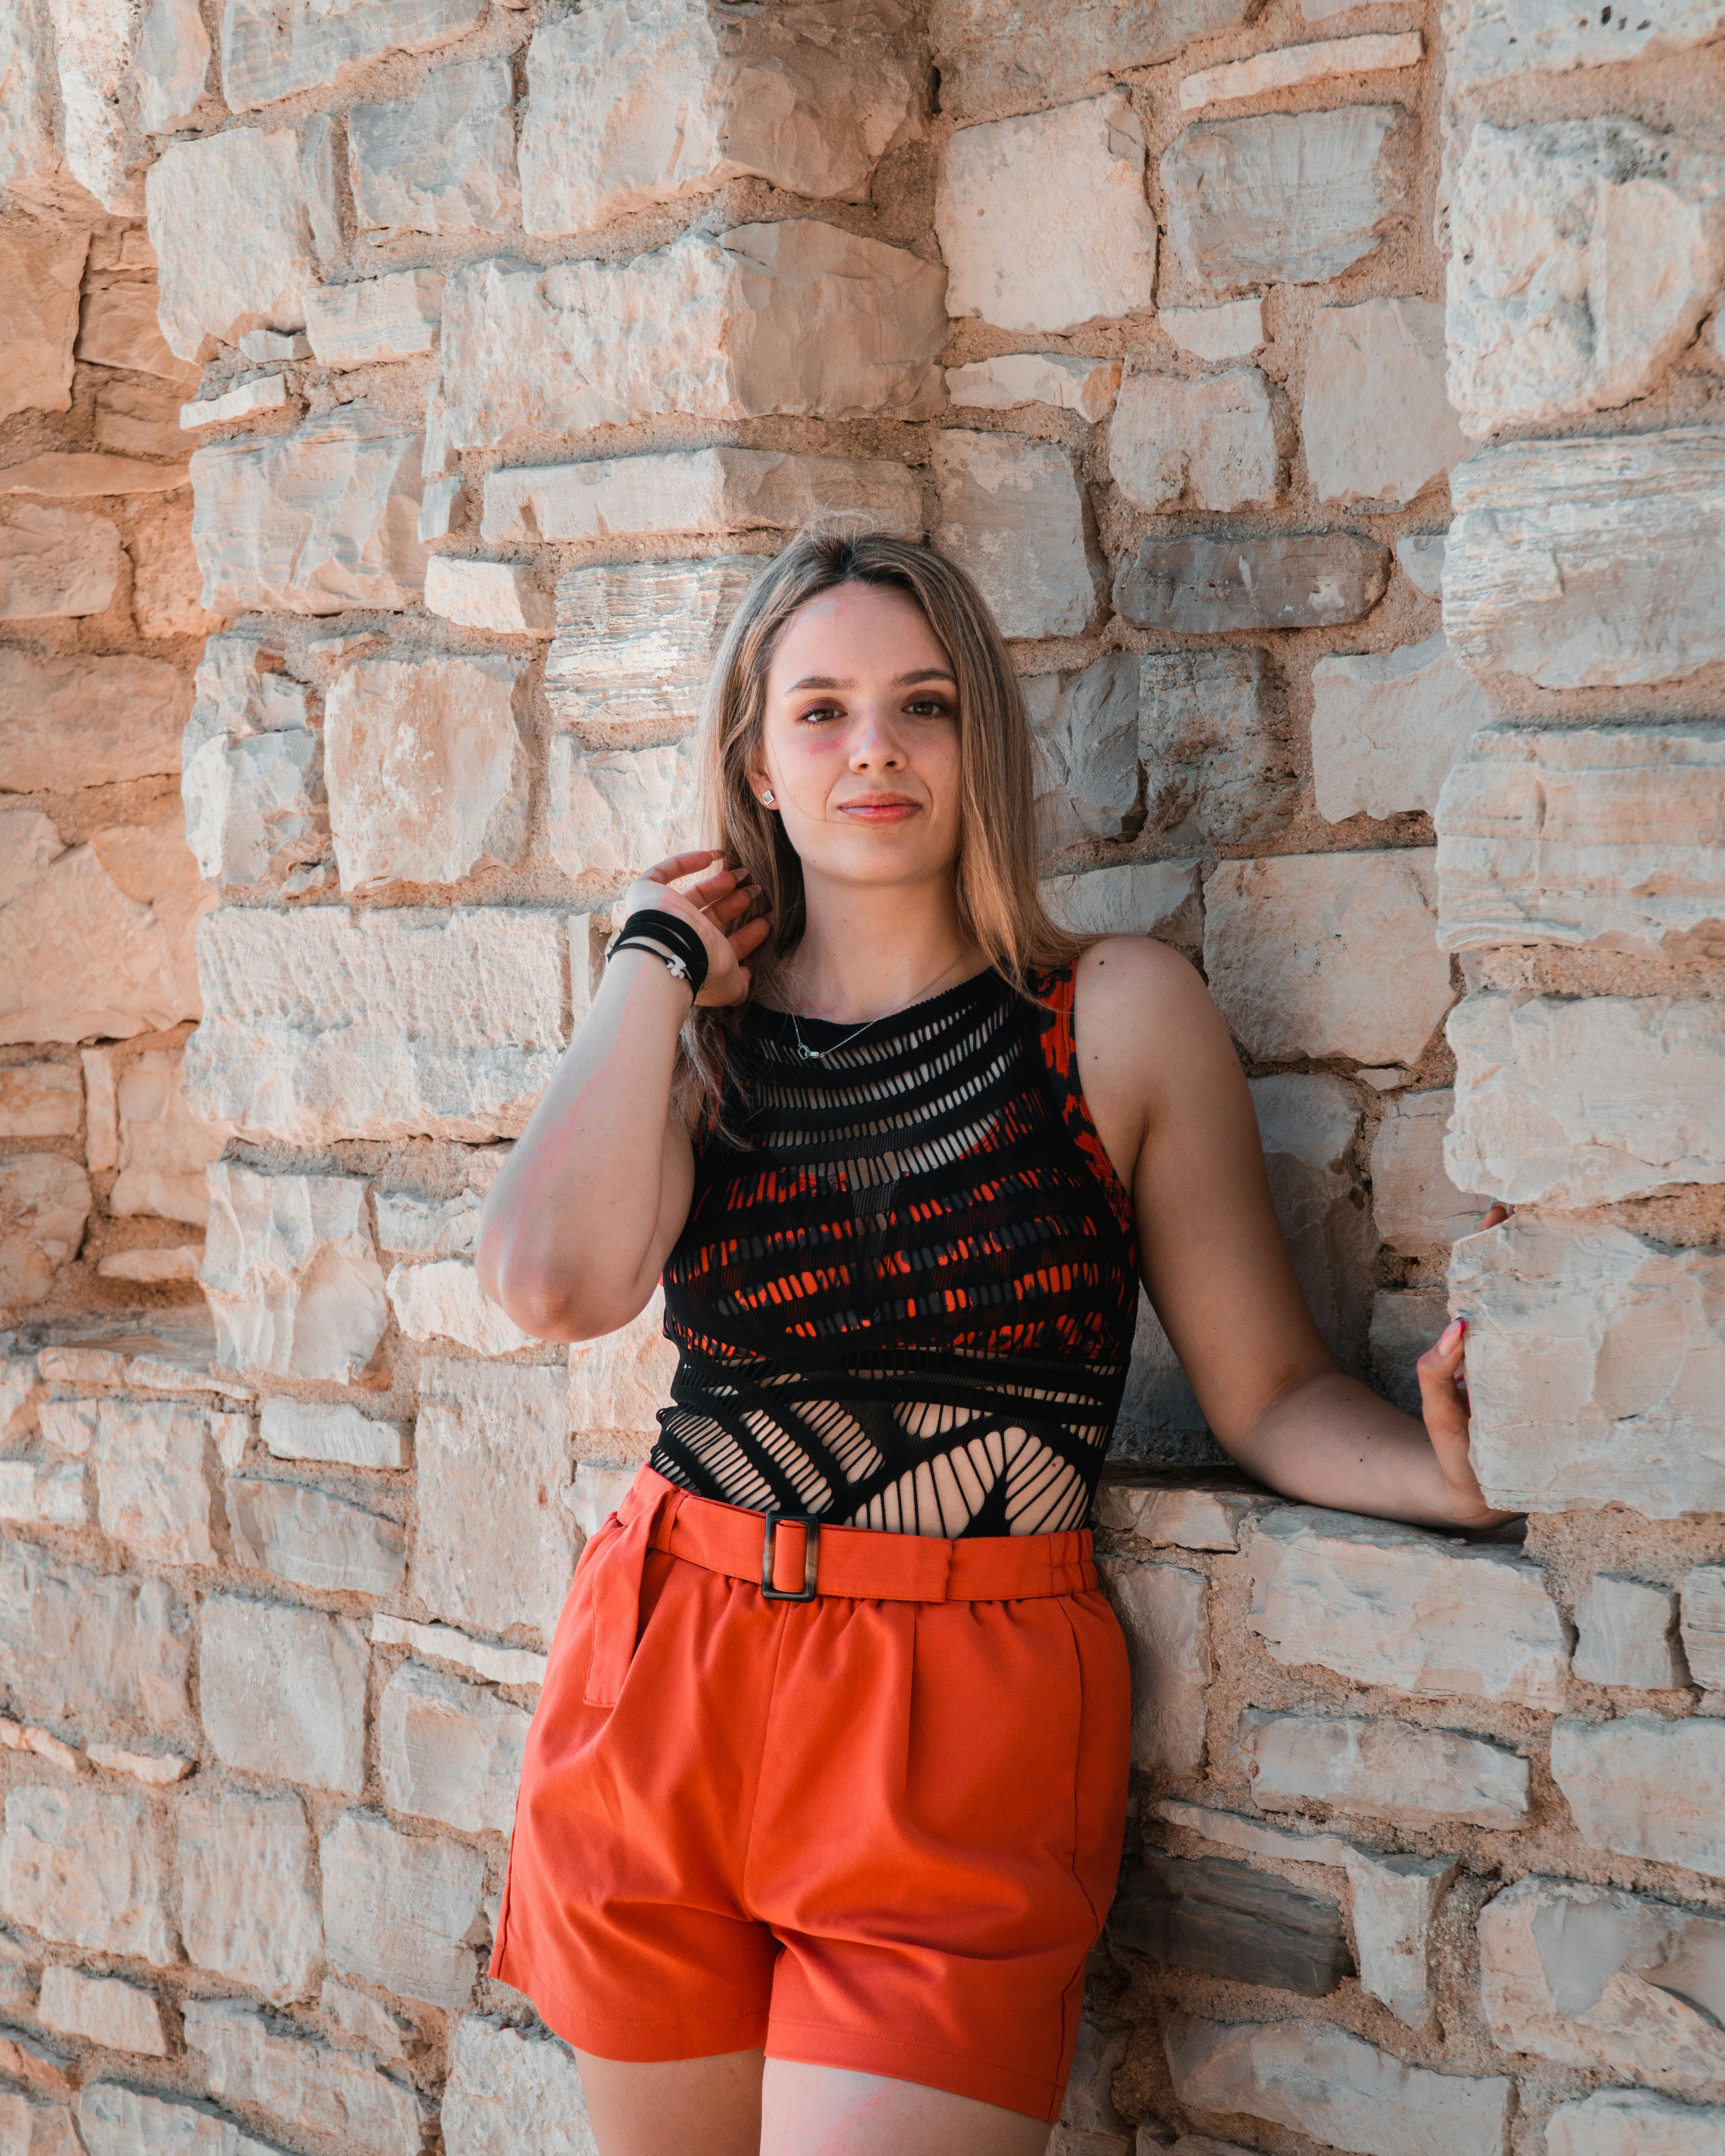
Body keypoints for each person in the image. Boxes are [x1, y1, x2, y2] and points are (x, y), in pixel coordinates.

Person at [474, 529, 1512, 2156]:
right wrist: (651, 959)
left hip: (964, 1712)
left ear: (982, 745)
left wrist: (1440, 1484)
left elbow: (1269, 1390)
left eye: (924, 704)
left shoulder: (1115, 1014)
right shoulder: (694, 1044)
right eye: (818, 710)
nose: (873, 746)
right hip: (669, 1677)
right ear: (755, 756)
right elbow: (547, 1286)